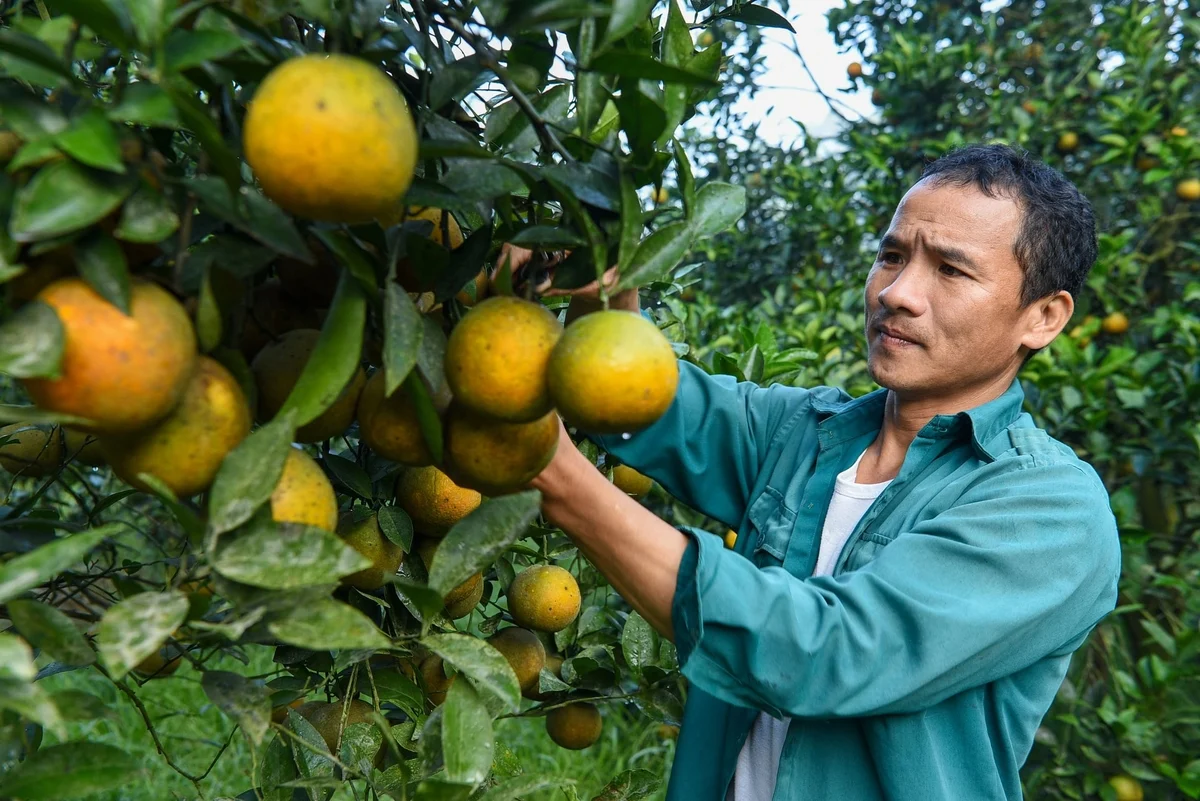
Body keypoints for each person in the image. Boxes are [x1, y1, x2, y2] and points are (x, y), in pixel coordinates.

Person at [518, 143, 1121, 800]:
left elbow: (826, 654)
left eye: (951, 270)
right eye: (891, 256)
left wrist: (555, 474)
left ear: (1043, 316)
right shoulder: (804, 432)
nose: (897, 293)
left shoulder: (1051, 510)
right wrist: (601, 275)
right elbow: (633, 403)